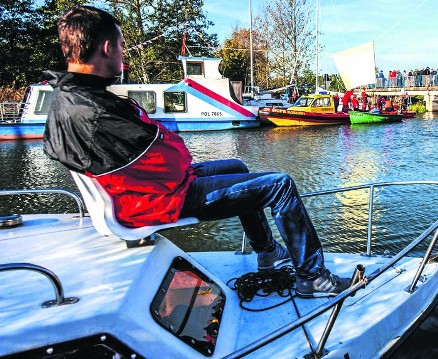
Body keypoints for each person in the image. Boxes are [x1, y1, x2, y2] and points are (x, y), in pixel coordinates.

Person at [42, 5, 349, 298]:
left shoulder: (68, 99)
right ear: (107, 48)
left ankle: (267, 251)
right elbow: (175, 159)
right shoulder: (97, 111)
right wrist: (165, 138)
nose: (123, 54)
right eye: (121, 46)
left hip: (138, 192)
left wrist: (161, 140)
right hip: (161, 199)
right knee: (280, 186)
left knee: (238, 166)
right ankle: (313, 277)